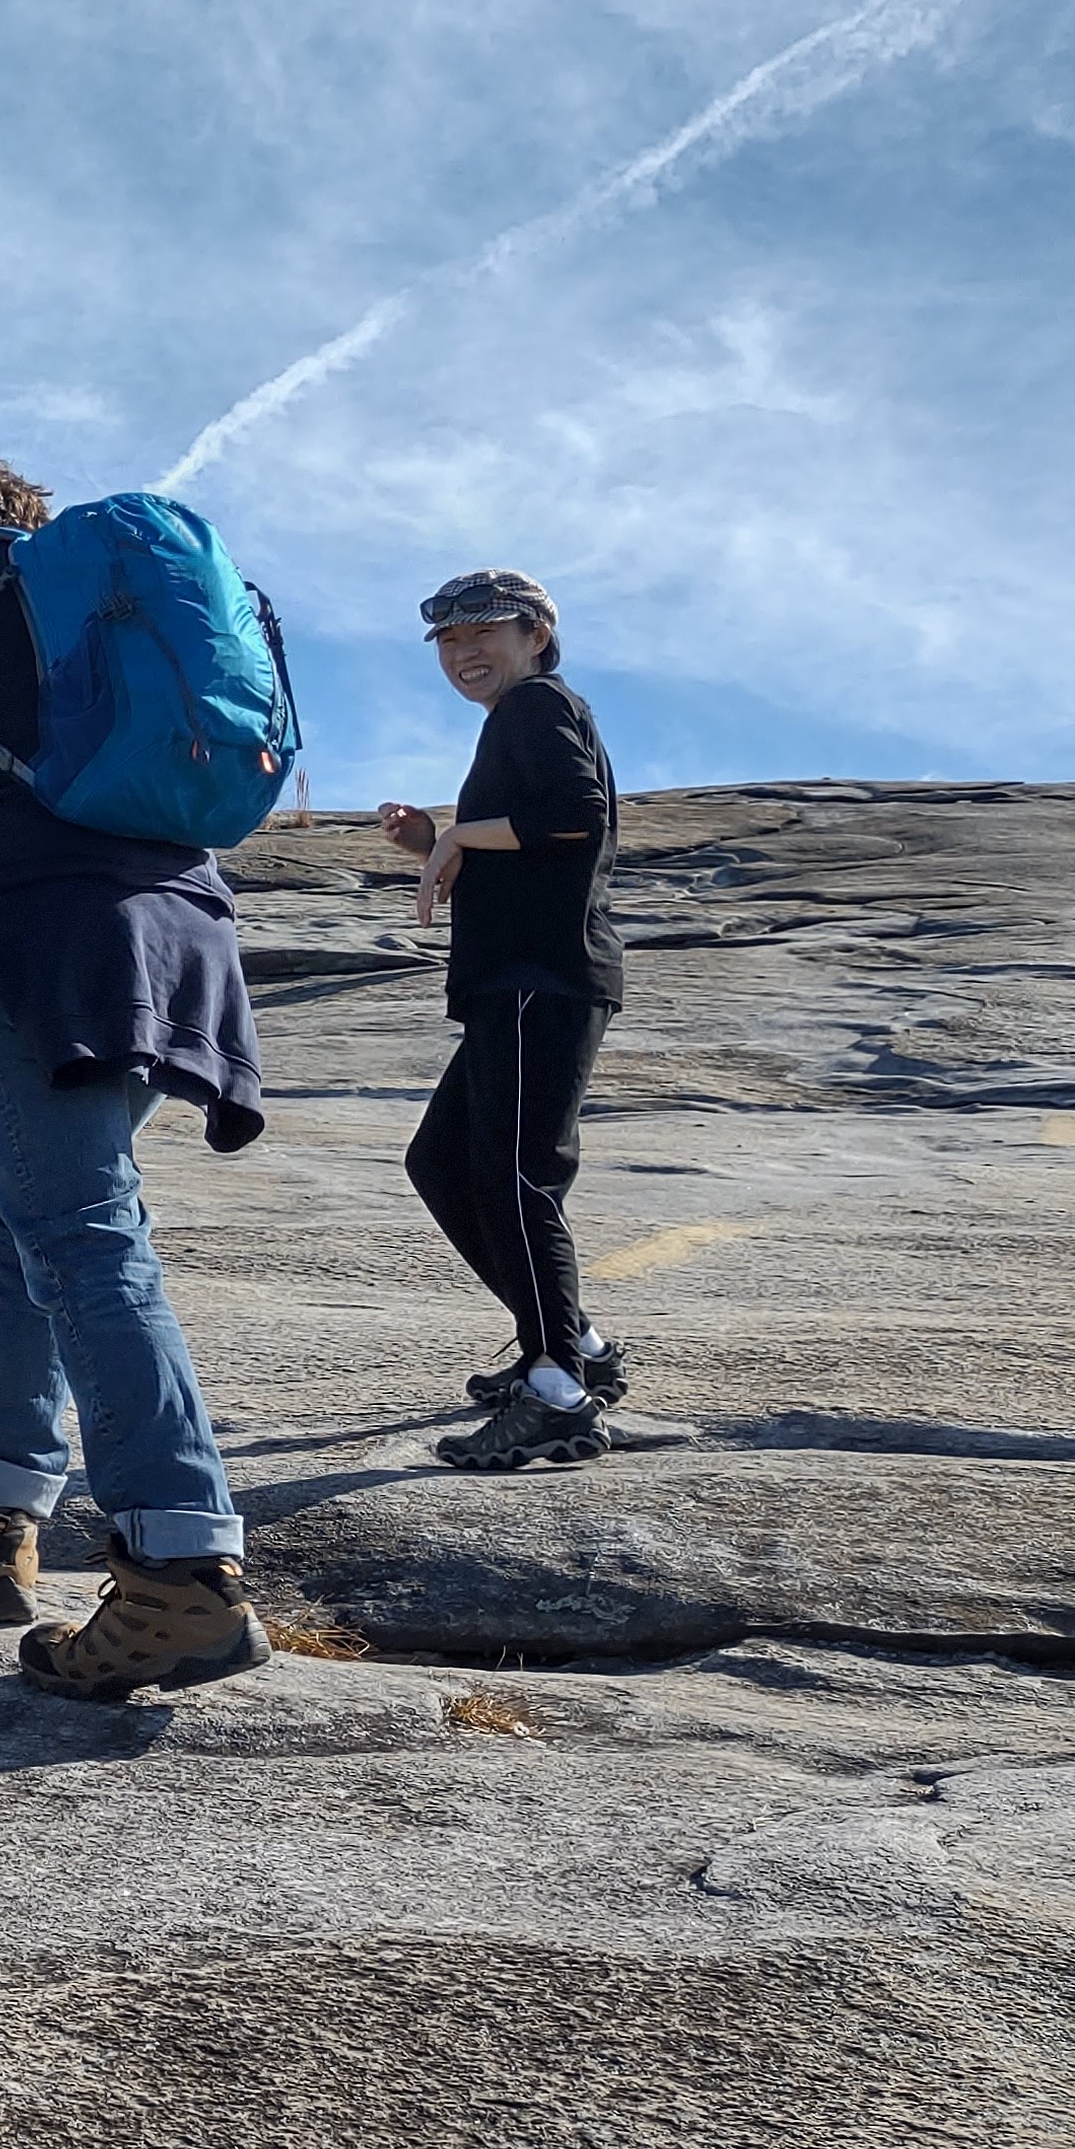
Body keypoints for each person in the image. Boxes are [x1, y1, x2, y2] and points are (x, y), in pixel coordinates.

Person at [0, 453, 271, 1702]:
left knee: (80, 1233)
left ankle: (178, 1568)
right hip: (175, 930)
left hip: (47, 942)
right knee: (26, 1218)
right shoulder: (102, 597)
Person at [380, 569, 629, 1472]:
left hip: (541, 981)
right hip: (518, 981)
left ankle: (558, 1390)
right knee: (441, 1161)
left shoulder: (537, 706)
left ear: (535, 633)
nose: (463, 653)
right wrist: (435, 839)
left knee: (518, 1178)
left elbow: (574, 816)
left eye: (483, 632)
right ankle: (574, 1345)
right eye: (448, 641)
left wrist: (455, 838)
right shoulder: (520, 718)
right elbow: (542, 844)